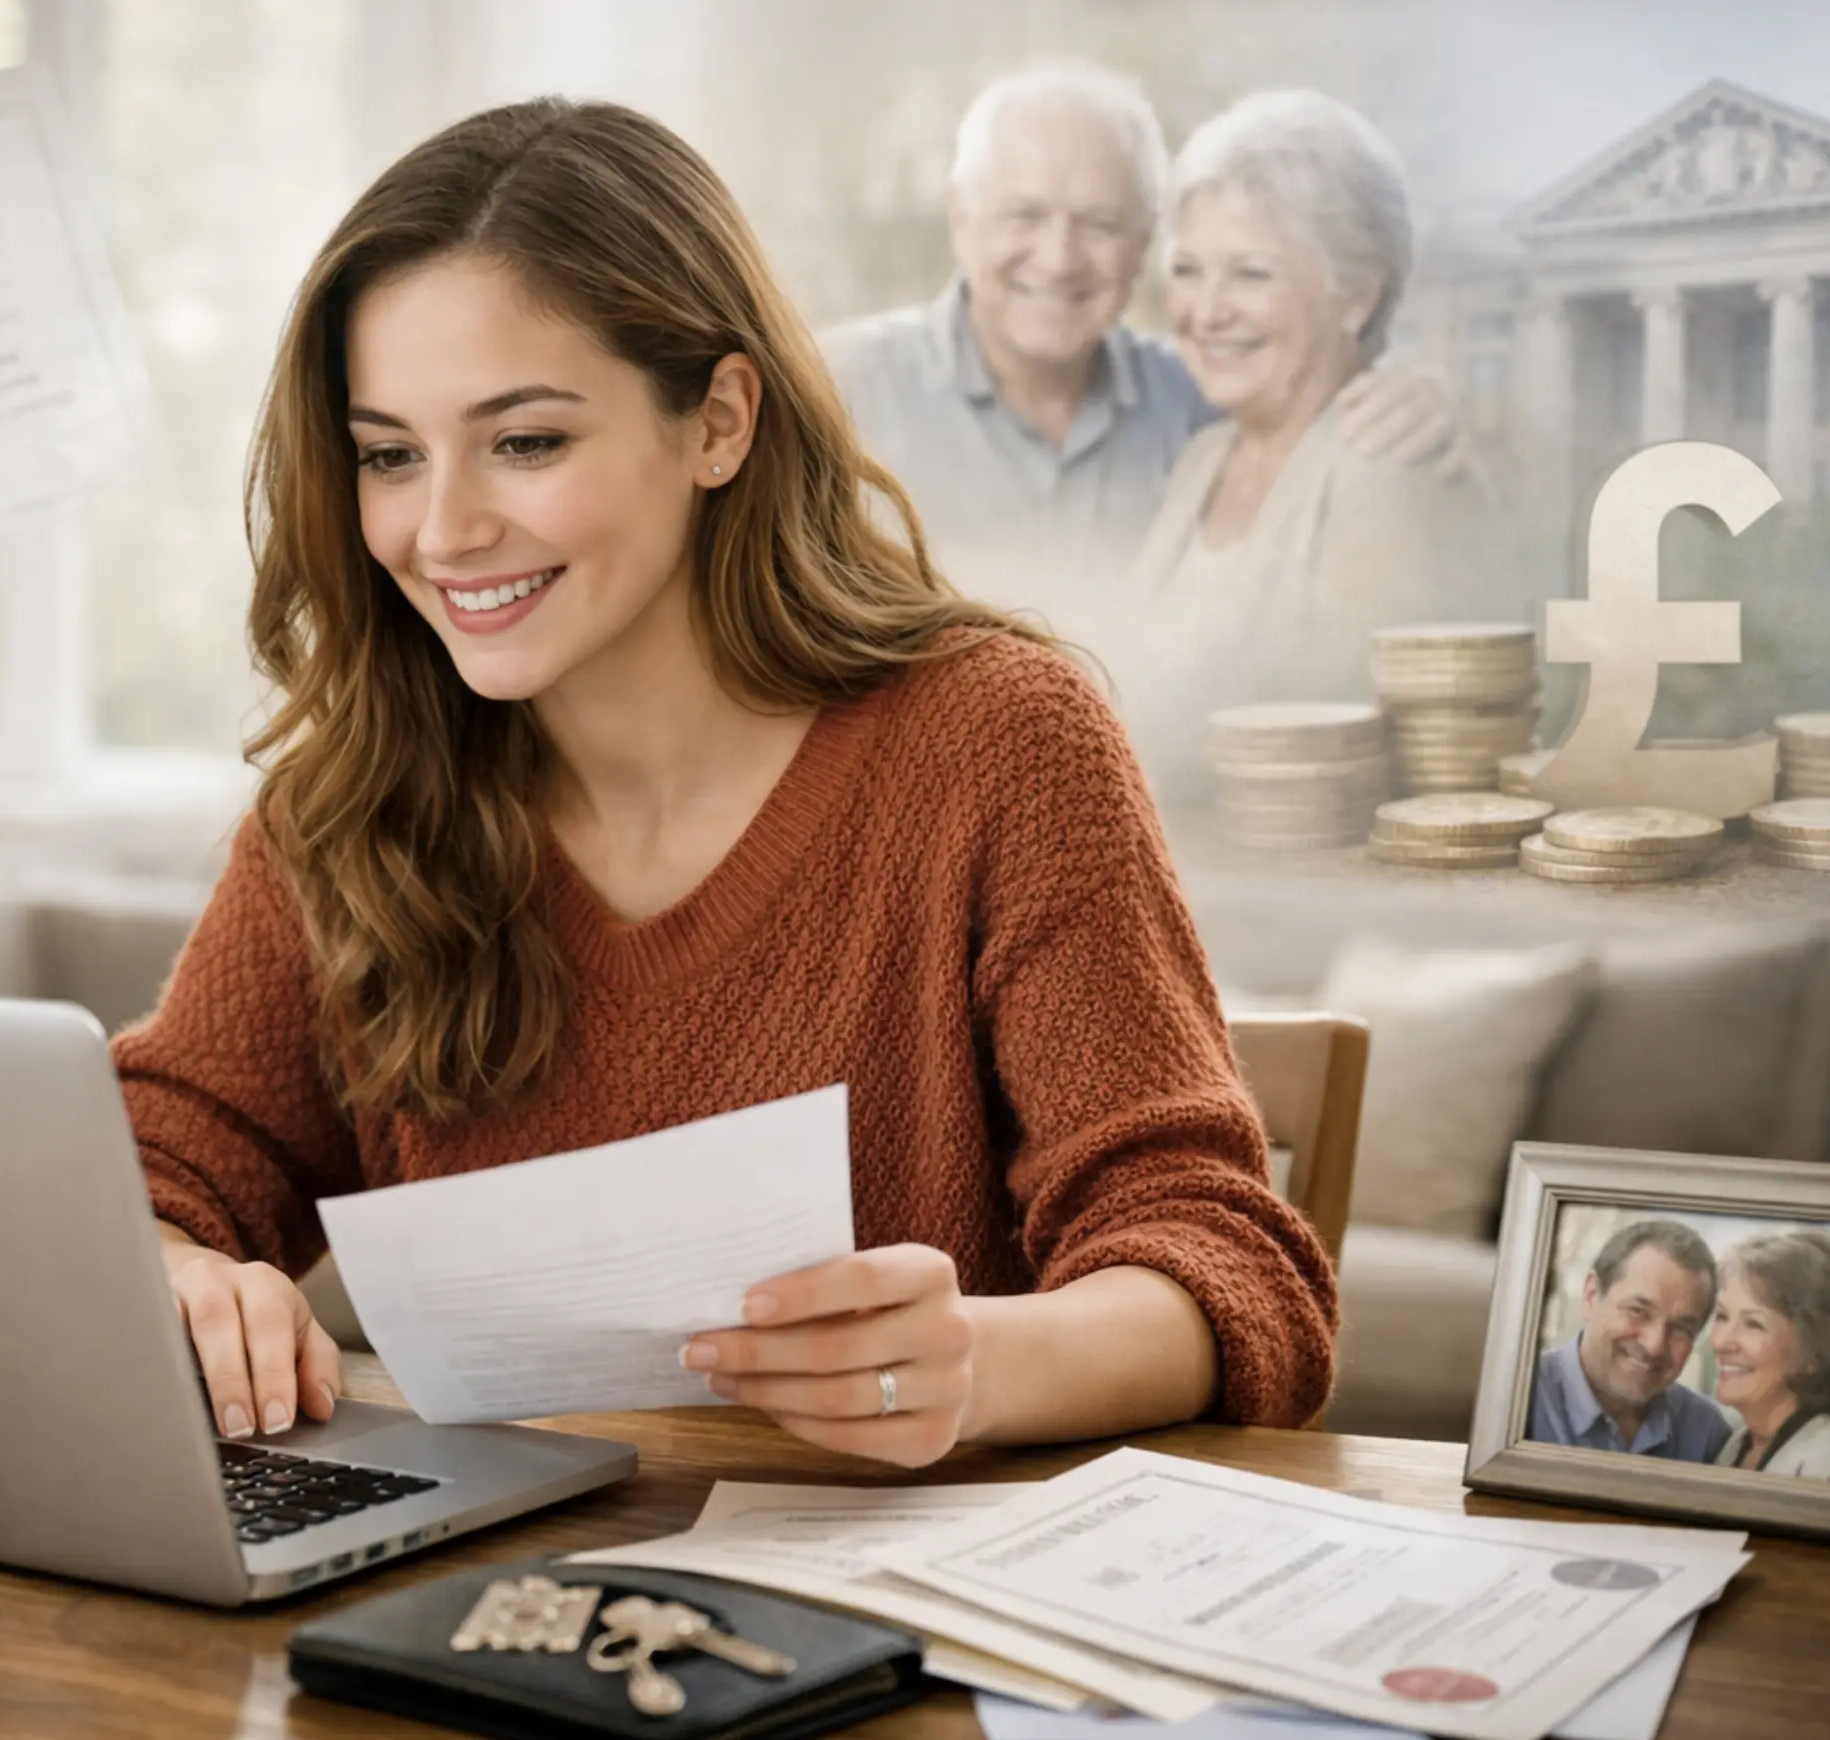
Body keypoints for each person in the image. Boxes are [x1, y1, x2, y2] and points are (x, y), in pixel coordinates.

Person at [109, 98, 1337, 1471]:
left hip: (911, 1618)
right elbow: (153, 1172)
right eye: (389, 454)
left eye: (526, 442)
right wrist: (171, 1270)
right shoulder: (358, 799)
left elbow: (1229, 1268)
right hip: (482, 1618)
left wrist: (978, 1364)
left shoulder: (998, 744)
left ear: (720, 423)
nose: (441, 529)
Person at [821, 62, 1462, 619]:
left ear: (1144, 241)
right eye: (1026, 215)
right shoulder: (833, 389)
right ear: (962, 217)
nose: (1059, 259)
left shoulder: (1201, 402)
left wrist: (1406, 388)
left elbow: (1310, 379)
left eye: (1099, 223)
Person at [1107, 89, 1513, 796]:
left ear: (1355, 293)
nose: (1206, 311)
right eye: (1188, 270)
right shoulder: (1203, 460)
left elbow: (1346, 757)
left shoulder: (1391, 463)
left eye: (1251, 273)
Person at [1527, 1221, 1731, 1463]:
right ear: (1591, 1295)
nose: (1654, 1345)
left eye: (1681, 1328)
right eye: (1638, 1311)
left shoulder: (1706, 1432)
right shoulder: (1520, 1397)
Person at [1709, 1230, 1830, 1482]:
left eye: (1754, 1324)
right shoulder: (1740, 1443)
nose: (1720, 1342)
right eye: (1722, 1316)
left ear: (1816, 1351)